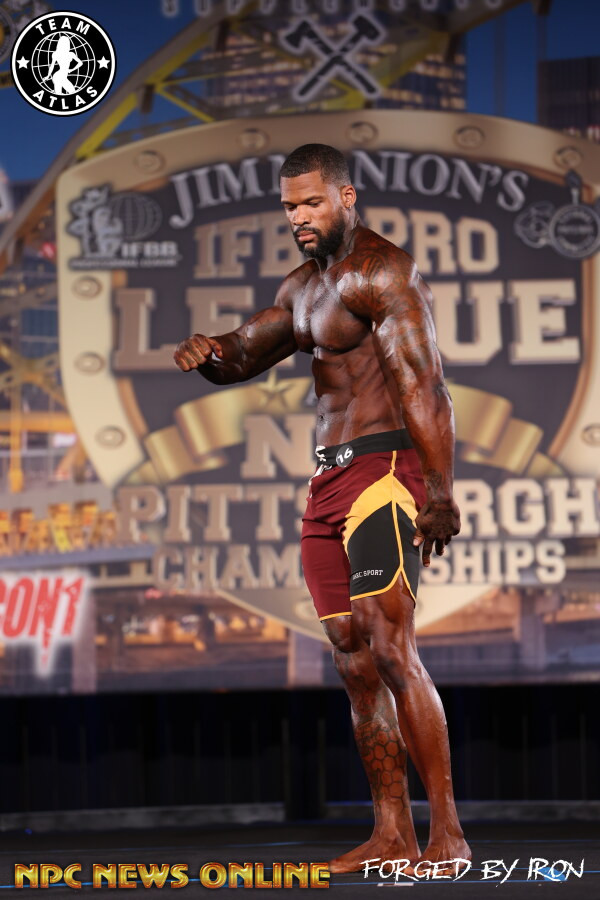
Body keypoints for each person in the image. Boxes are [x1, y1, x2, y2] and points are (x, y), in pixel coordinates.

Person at [174, 144, 470, 875]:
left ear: (346, 197)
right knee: (351, 656)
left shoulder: (382, 272)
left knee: (390, 646)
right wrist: (210, 354)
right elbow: (247, 352)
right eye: (290, 206)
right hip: (328, 480)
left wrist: (439, 492)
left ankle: (449, 835)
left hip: (384, 469)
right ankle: (391, 834)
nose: (299, 217)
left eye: (311, 202)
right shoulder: (304, 287)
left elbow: (424, 383)